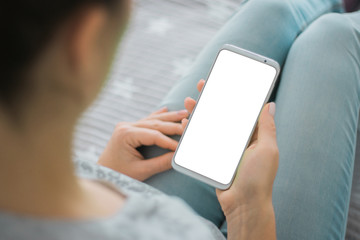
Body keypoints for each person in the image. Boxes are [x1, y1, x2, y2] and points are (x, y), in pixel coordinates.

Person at [0, 0, 359, 239]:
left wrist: (104, 174)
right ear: (82, 41)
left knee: (274, 8)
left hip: (122, 190)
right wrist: (251, 213)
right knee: (335, 40)